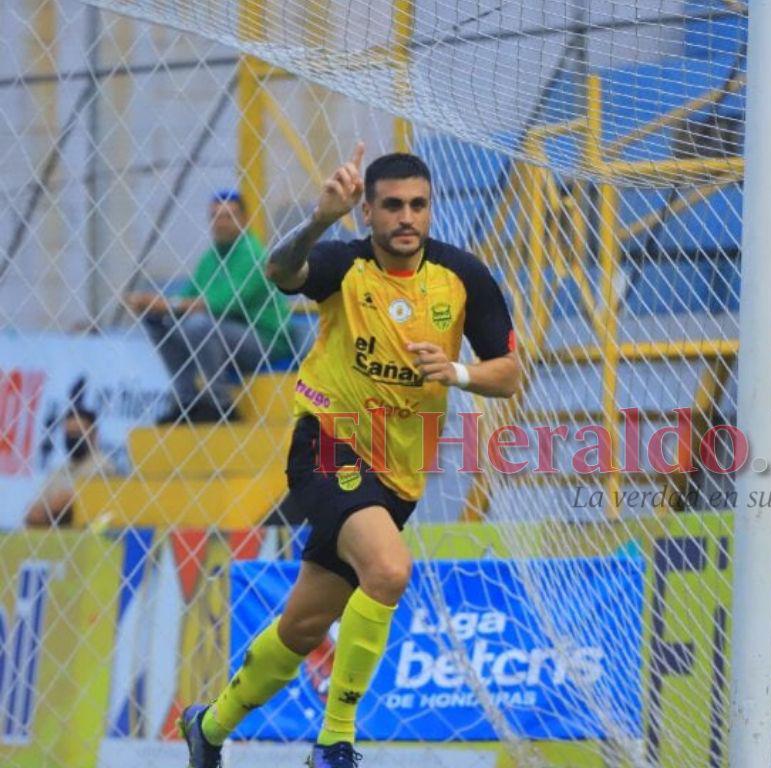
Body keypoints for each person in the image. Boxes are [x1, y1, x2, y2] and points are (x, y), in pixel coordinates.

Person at [177, 145, 521, 768]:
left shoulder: (462, 277)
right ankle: (335, 741)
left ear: (430, 207)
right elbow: (280, 276)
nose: (405, 218)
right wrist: (316, 221)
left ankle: (211, 724)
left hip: (400, 475)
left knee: (303, 628)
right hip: (327, 444)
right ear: (367, 210)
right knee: (388, 572)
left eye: (417, 204)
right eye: (391, 205)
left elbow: (509, 373)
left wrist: (459, 371)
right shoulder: (343, 262)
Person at [125, 190, 292, 423]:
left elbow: (222, 304)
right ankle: (186, 400)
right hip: (224, 336)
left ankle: (220, 403)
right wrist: (155, 307)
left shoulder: (254, 254)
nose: (220, 223)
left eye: (228, 216)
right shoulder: (211, 258)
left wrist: (164, 303)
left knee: (198, 324)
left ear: (244, 219)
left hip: (264, 340)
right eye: (215, 217)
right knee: (158, 321)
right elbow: (186, 298)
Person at [24, 403, 115, 527]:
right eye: (69, 433)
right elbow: (34, 512)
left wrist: (50, 509)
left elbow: (67, 504)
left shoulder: (104, 466)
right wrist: (45, 511)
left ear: (94, 435)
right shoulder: (58, 471)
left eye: (78, 433)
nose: (73, 438)